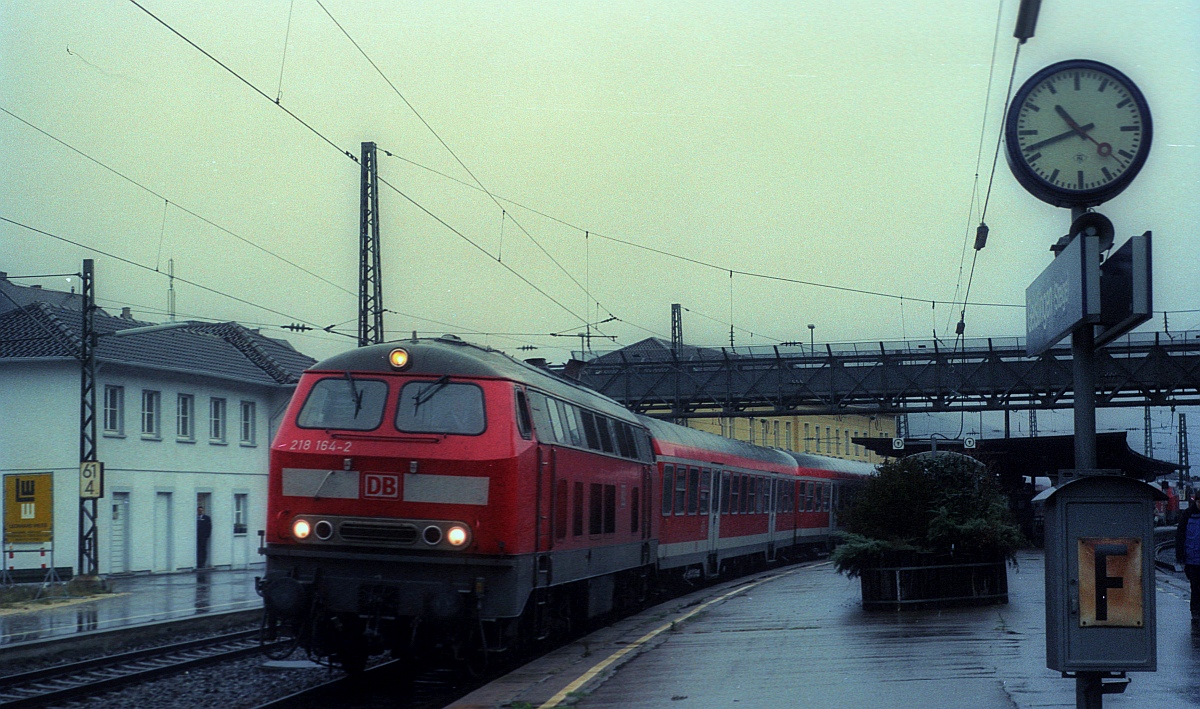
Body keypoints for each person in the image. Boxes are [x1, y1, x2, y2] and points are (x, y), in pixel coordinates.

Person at [1175, 492, 1200, 627]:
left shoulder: (1188, 514)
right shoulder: (1188, 515)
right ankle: (1195, 611)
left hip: (1192, 557)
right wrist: (1180, 555)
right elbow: (1180, 535)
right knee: (1195, 586)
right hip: (1192, 559)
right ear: (1195, 501)